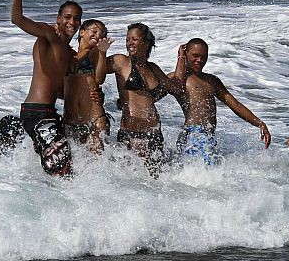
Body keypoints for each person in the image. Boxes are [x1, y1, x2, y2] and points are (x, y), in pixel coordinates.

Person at [11, 0, 81, 176]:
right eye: (67, 17)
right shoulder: (49, 35)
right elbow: (17, 19)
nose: (72, 22)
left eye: (76, 19)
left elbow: (60, 90)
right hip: (36, 111)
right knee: (63, 163)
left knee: (70, 155)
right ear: (58, 19)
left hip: (49, 113)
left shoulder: (70, 54)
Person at [171, 38, 271, 165]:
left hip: (208, 136)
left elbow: (235, 105)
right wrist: (180, 58)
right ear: (186, 55)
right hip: (192, 134)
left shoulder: (212, 81)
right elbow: (167, 89)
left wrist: (260, 123)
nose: (200, 60)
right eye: (195, 56)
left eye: (204, 57)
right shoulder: (179, 79)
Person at [106, 23, 185, 176]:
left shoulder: (153, 68)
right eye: (127, 39)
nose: (129, 42)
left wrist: (181, 56)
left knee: (157, 183)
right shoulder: (121, 62)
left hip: (155, 134)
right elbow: (94, 71)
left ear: (146, 43)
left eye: (134, 39)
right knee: (137, 183)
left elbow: (176, 88)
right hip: (132, 134)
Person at [63, 19, 114, 153]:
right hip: (71, 120)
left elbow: (99, 79)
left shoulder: (96, 55)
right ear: (82, 32)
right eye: (94, 31)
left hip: (95, 118)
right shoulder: (68, 53)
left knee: (97, 163)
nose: (98, 35)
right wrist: (84, 51)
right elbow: (71, 68)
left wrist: (102, 53)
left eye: (102, 34)